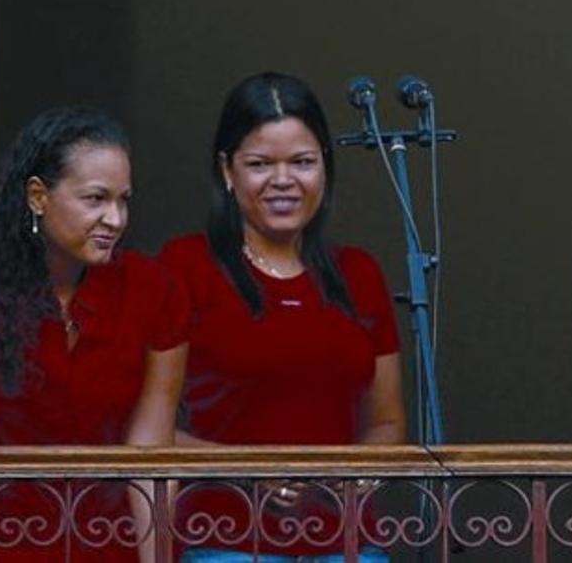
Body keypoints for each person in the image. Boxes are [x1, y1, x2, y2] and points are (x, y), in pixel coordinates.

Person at [0, 106, 189, 562]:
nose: (116, 219)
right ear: (38, 196)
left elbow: (150, 461)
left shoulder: (155, 290)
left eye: (124, 200)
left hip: (107, 540)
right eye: (96, 199)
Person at [158, 72, 406, 562]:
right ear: (227, 171)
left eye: (302, 162)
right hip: (224, 541)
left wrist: (338, 471)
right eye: (260, 164)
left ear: (325, 169)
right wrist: (248, 469)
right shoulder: (184, 267)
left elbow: (388, 422)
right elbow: (149, 426)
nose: (283, 180)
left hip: (350, 543)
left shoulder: (358, 274)